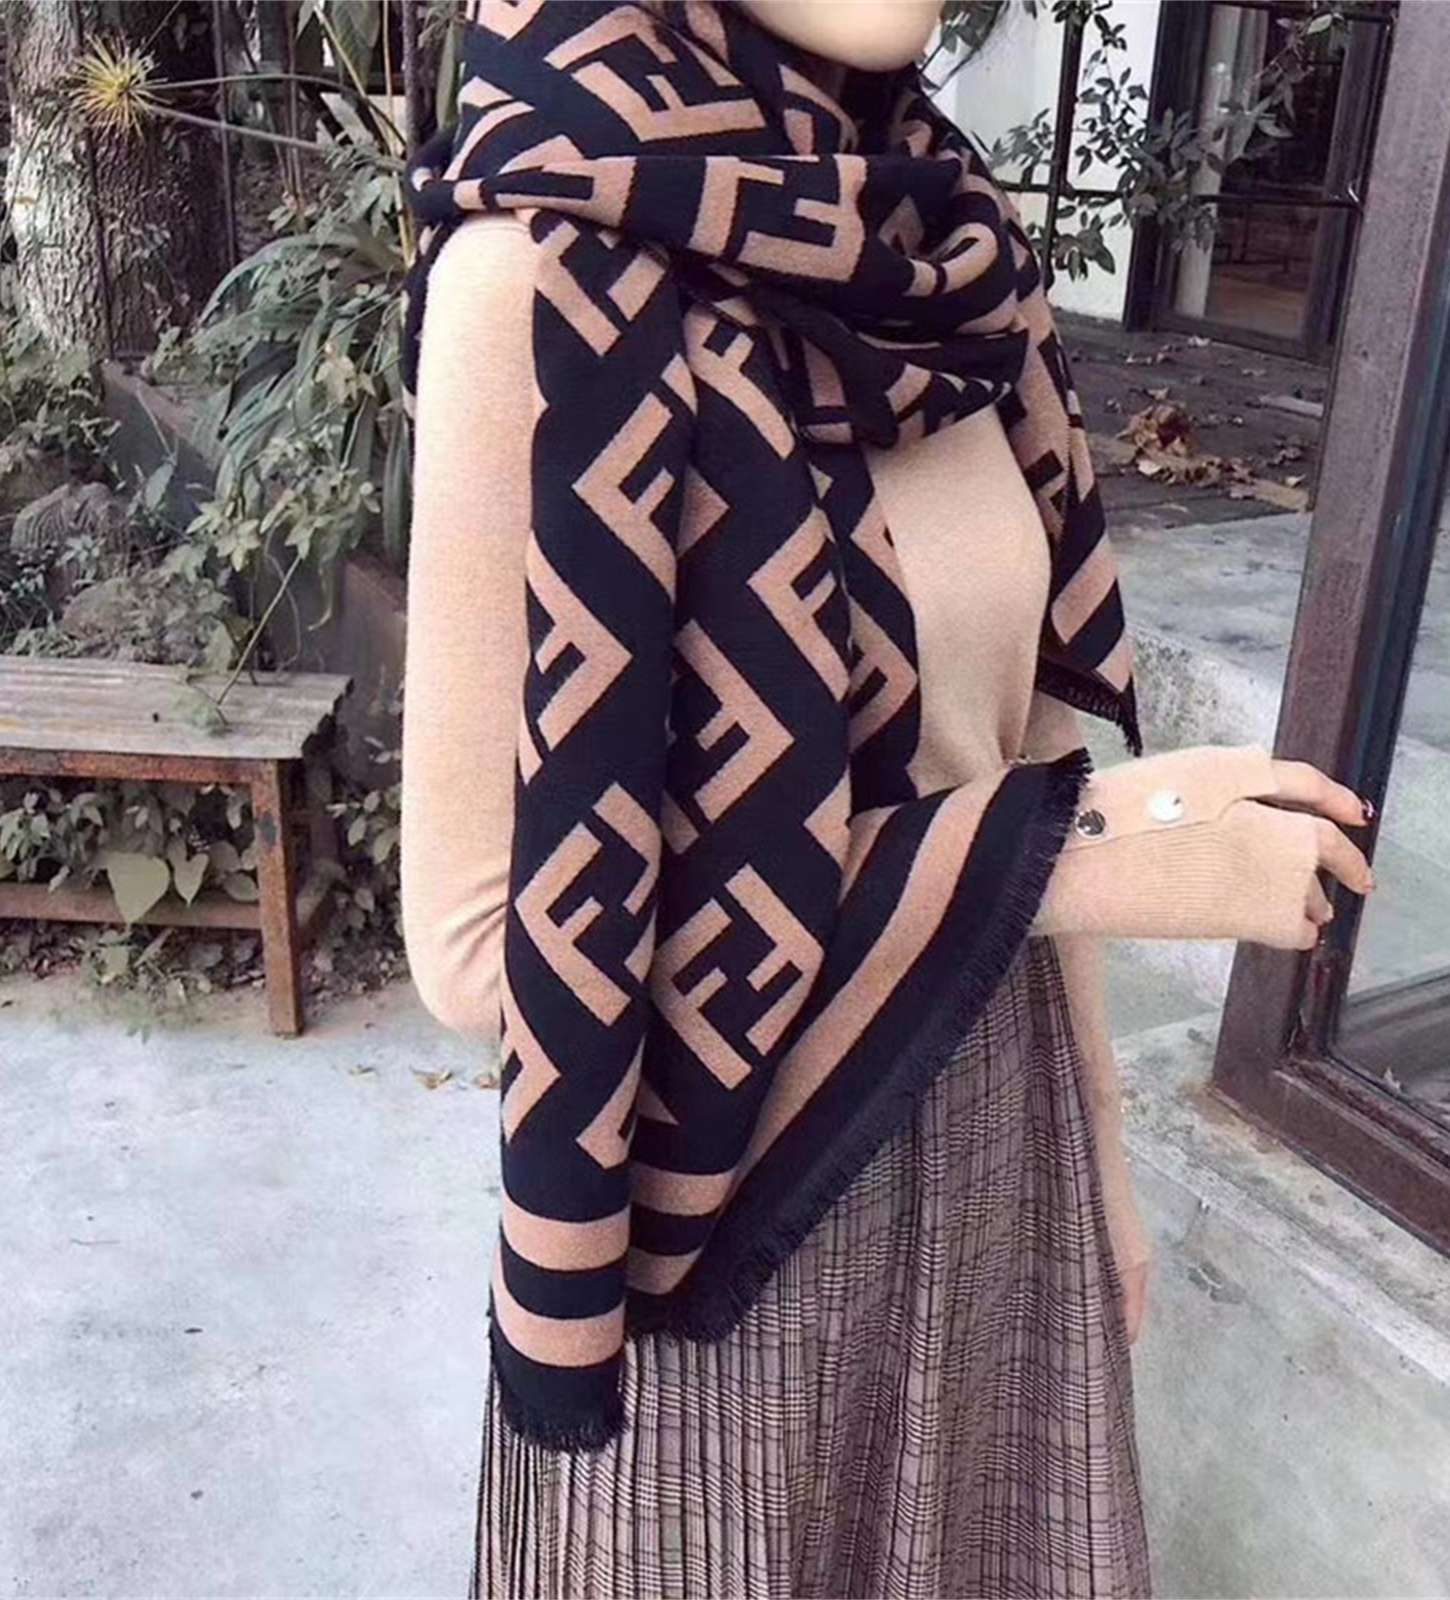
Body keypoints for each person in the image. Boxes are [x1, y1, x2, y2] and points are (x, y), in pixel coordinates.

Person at [398, 3, 1375, 1595]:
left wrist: (1103, 1164)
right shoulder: (536, 272)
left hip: (997, 1115)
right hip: (732, 1191)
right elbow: (473, 945)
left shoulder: (948, 256)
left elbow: (1025, 746)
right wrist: (1096, 854)